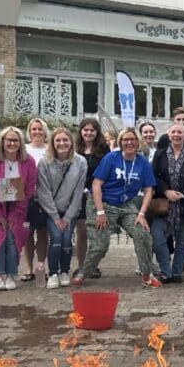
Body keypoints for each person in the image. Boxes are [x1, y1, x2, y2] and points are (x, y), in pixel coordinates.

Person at [71, 128, 160, 288]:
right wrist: (99, 211)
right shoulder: (111, 158)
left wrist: (141, 214)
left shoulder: (142, 163)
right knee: (100, 245)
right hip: (103, 203)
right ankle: (84, 272)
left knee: (143, 234)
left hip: (126, 205)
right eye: (125, 139)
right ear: (120, 142)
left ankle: (147, 274)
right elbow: (96, 184)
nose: (129, 142)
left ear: (138, 142)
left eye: (132, 139)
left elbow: (148, 190)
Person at [0, 127, 36, 291]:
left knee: (13, 240)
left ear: (21, 142)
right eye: (9, 140)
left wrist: (16, 212)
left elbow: (29, 188)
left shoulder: (28, 161)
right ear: (2, 142)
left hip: (17, 206)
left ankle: (11, 275)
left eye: (16, 140)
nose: (12, 143)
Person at [151, 122, 184, 283]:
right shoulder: (160, 155)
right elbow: (154, 176)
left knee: (183, 240)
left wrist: (183, 194)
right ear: (168, 135)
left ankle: (176, 272)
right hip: (163, 205)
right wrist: (166, 191)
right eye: (173, 131)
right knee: (157, 236)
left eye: (180, 132)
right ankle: (166, 270)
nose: (176, 135)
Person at [36, 128, 87, 289]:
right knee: (56, 239)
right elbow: (43, 191)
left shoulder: (80, 162)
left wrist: (68, 217)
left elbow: (79, 191)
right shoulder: (44, 162)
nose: (62, 143)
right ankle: (53, 273)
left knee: (67, 240)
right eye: (58, 140)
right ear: (52, 142)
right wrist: (55, 216)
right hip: (52, 211)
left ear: (71, 142)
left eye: (65, 140)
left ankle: (65, 270)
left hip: (70, 211)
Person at [73, 118, 111, 279]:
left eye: (92, 130)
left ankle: (93, 265)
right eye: (85, 130)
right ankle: (82, 266)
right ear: (81, 131)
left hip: (97, 194)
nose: (88, 133)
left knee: (95, 232)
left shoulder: (104, 150)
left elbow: (108, 171)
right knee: (81, 231)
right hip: (78, 195)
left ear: (97, 132)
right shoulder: (75, 149)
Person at [21, 118, 49, 282]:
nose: (37, 132)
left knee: (43, 232)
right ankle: (28, 267)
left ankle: (40, 266)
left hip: (44, 199)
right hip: (25, 200)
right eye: (34, 129)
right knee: (27, 233)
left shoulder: (50, 150)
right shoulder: (23, 149)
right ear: (29, 132)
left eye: (40, 129)